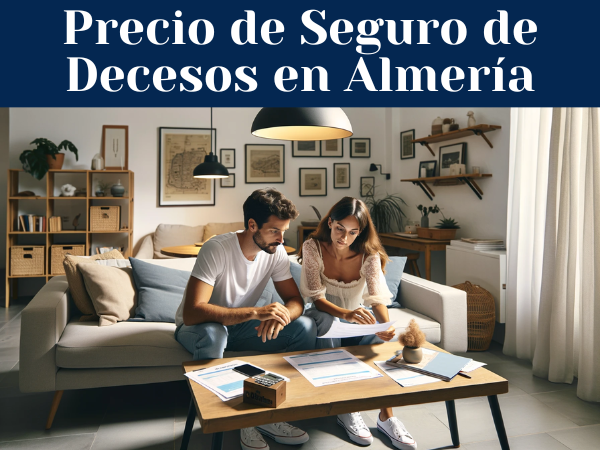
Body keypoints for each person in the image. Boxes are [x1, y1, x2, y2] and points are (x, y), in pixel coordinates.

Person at [175, 188, 316, 450]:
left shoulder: (276, 253)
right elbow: (193, 312)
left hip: (239, 327)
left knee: (305, 326)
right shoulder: (216, 248)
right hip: (198, 328)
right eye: (275, 231)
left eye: (284, 231)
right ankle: (235, 419)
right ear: (252, 225)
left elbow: (296, 302)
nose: (281, 239)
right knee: (215, 333)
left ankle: (273, 412)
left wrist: (283, 316)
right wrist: (255, 312)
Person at [298, 196, 417, 450]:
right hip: (323, 316)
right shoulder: (312, 246)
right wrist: (346, 314)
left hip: (353, 317)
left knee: (379, 336)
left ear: (360, 232)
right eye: (340, 228)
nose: (344, 237)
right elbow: (317, 299)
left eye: (353, 232)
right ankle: (346, 407)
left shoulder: (369, 255)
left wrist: (386, 326)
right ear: (330, 222)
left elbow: (377, 300)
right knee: (329, 320)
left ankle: (387, 415)